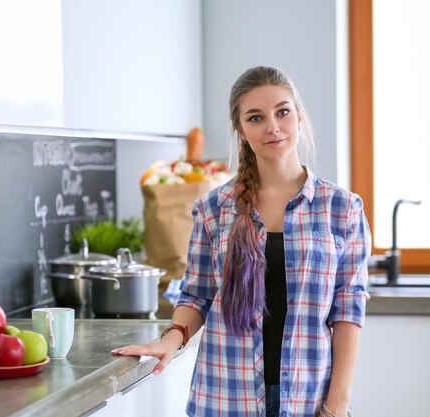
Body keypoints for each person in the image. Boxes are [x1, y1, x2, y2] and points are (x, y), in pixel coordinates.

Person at [112, 66, 371, 417]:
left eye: (282, 112)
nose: (273, 126)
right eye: (256, 117)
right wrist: (170, 339)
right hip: (226, 396)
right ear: (241, 130)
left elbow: (347, 311)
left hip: (310, 400)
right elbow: (197, 295)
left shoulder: (342, 208)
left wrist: (337, 405)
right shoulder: (213, 208)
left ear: (299, 116)